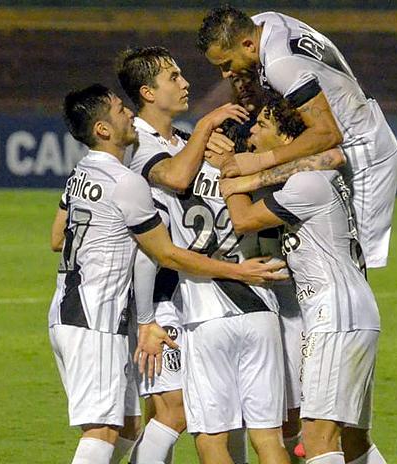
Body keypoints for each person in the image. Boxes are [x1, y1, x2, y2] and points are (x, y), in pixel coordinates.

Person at [50, 83, 287, 464]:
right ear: (103, 129)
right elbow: (159, 253)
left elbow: (56, 237)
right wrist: (236, 272)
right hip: (99, 314)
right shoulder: (129, 181)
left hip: (77, 309)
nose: (128, 112)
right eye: (118, 109)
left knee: (127, 427)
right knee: (108, 430)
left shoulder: (80, 173)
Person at [117, 48, 290, 464]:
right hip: (159, 297)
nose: (185, 83)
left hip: (196, 294)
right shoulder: (141, 144)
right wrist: (208, 125)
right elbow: (176, 178)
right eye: (173, 77)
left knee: (202, 420)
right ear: (147, 92)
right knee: (176, 414)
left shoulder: (181, 140)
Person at [213, 94, 388, 464]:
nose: (254, 132)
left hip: (334, 314)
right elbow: (330, 157)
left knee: (317, 438)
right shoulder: (313, 176)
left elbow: (243, 220)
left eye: (263, 125)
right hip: (352, 310)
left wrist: (227, 178)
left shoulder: (305, 186)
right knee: (354, 440)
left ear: (286, 139)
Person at [198, 5, 397, 270]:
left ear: (247, 44)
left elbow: (327, 133)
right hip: (342, 141)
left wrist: (258, 163)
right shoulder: (266, 23)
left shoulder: (280, 64)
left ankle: (349, 310)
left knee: (351, 262)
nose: (226, 73)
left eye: (226, 64)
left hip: (362, 155)